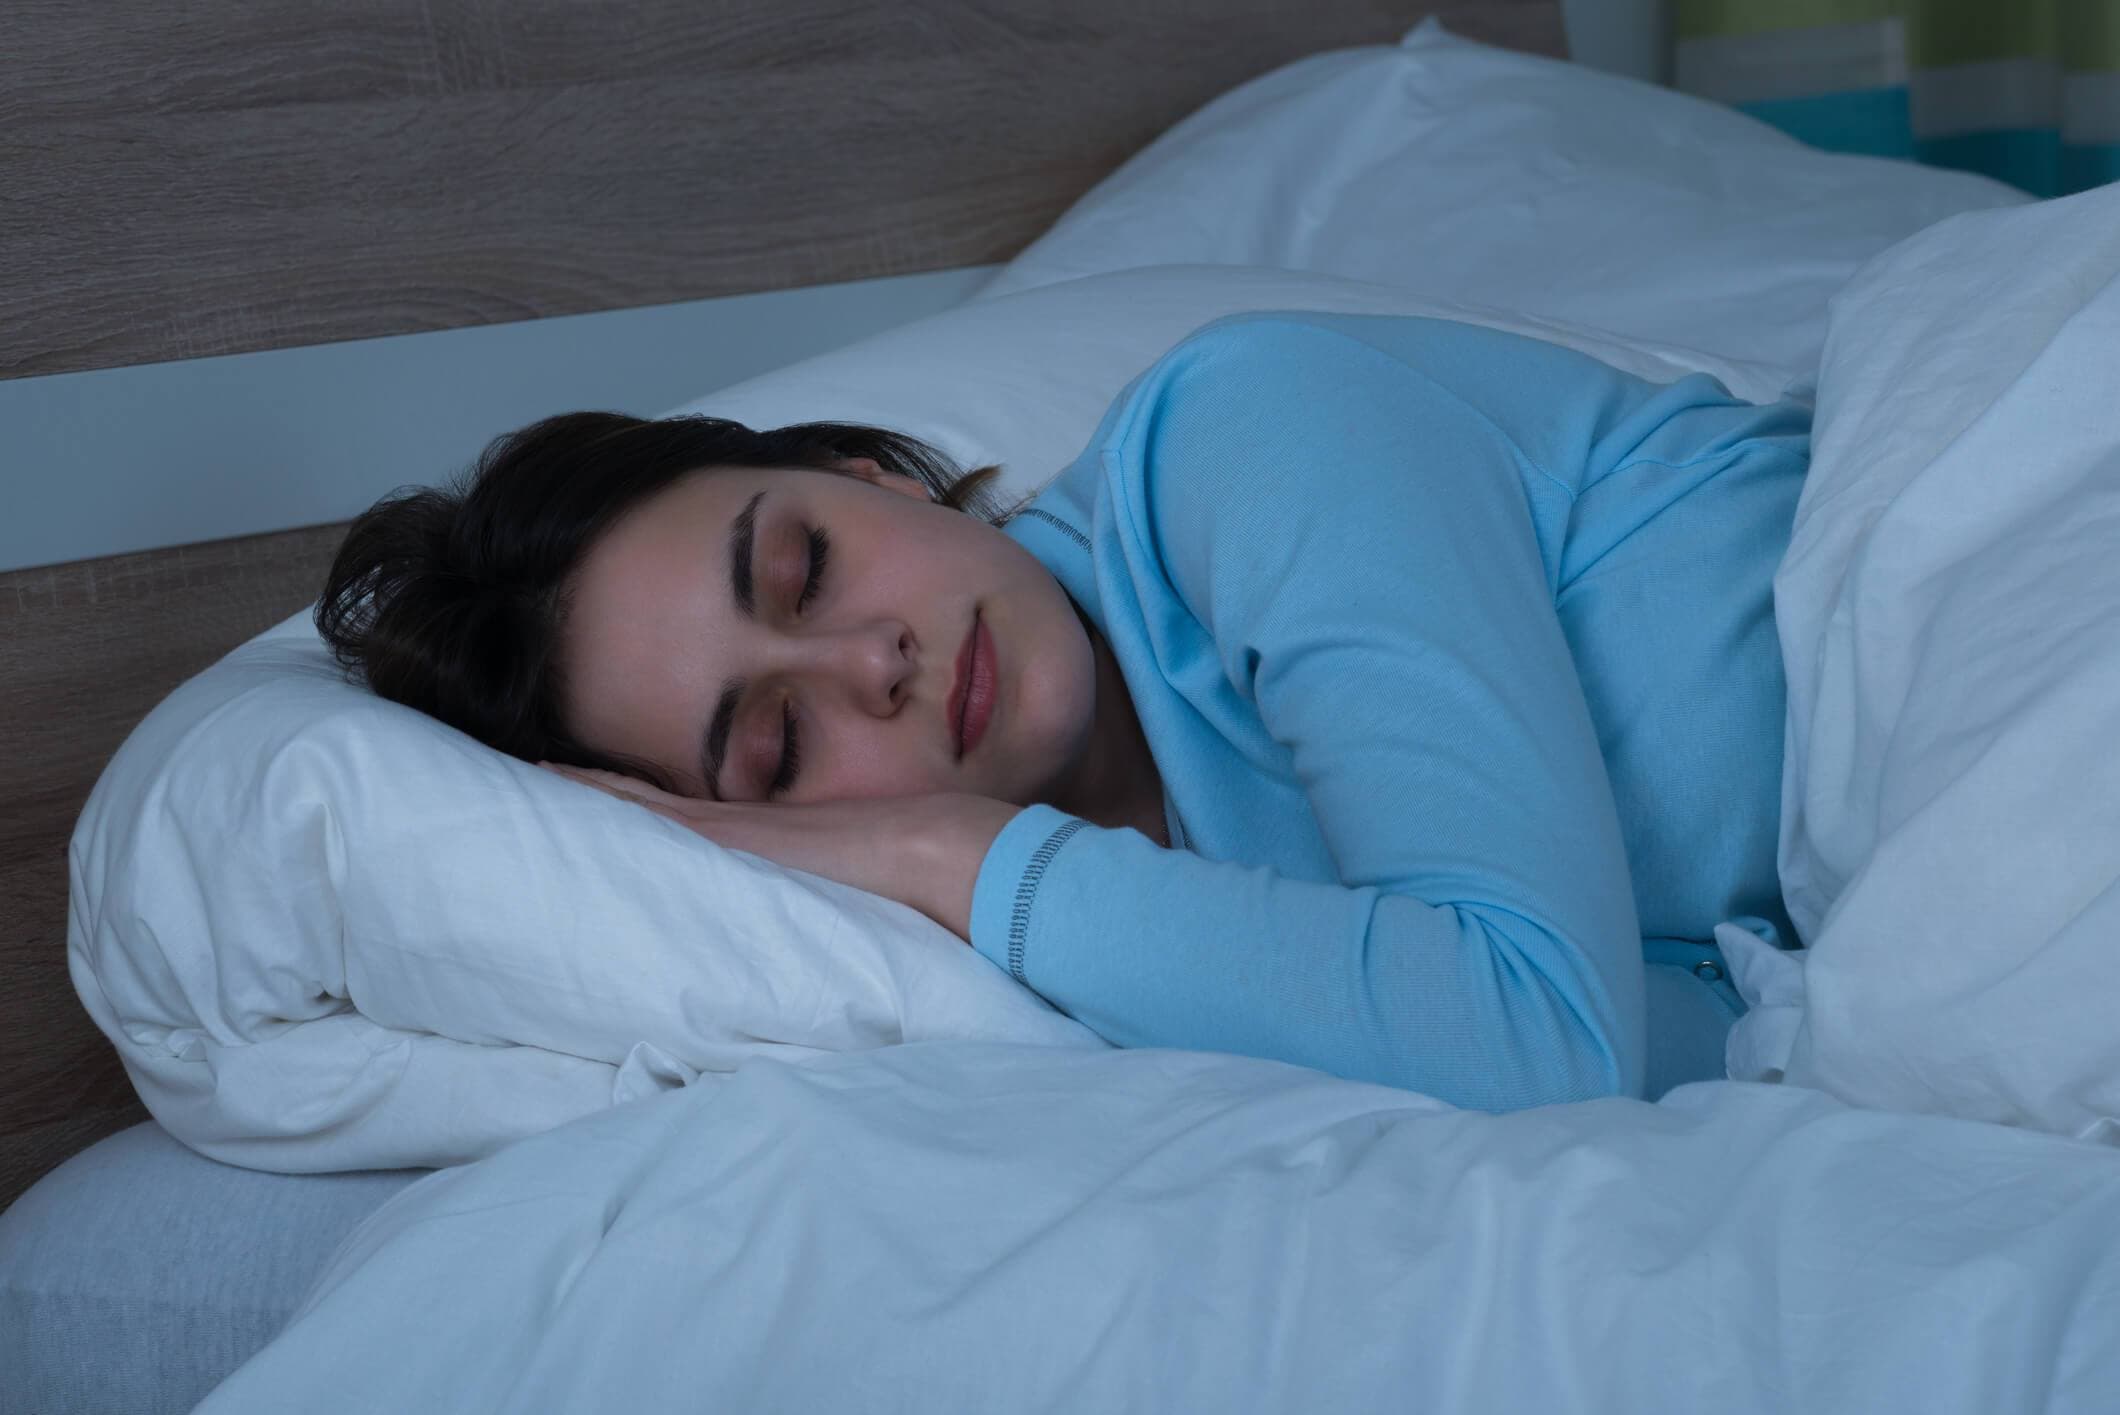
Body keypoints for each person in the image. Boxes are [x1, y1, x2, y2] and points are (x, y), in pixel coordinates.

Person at [317, 312, 1807, 1111]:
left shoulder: (1246, 432)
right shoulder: (1070, 963)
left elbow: (1543, 1040)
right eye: (777, 745)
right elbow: (1711, 1036)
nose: (869, 665)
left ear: (867, 472)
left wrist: (939, 856)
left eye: (807, 563)